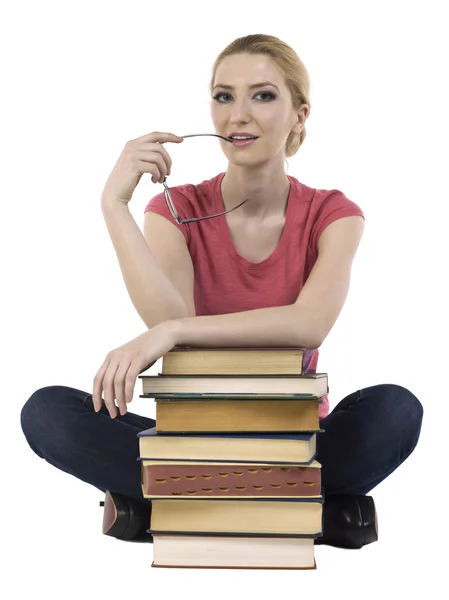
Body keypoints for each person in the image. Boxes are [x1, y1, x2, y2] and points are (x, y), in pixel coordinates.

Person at [20, 33, 423, 549]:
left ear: (300, 115)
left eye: (263, 95)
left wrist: (170, 332)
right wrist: (113, 206)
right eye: (223, 95)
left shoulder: (333, 214)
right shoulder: (177, 208)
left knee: (395, 410)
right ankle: (312, 512)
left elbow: (308, 324)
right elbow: (170, 319)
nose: (238, 114)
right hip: (190, 438)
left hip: (294, 439)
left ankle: (165, 507)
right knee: (48, 412)